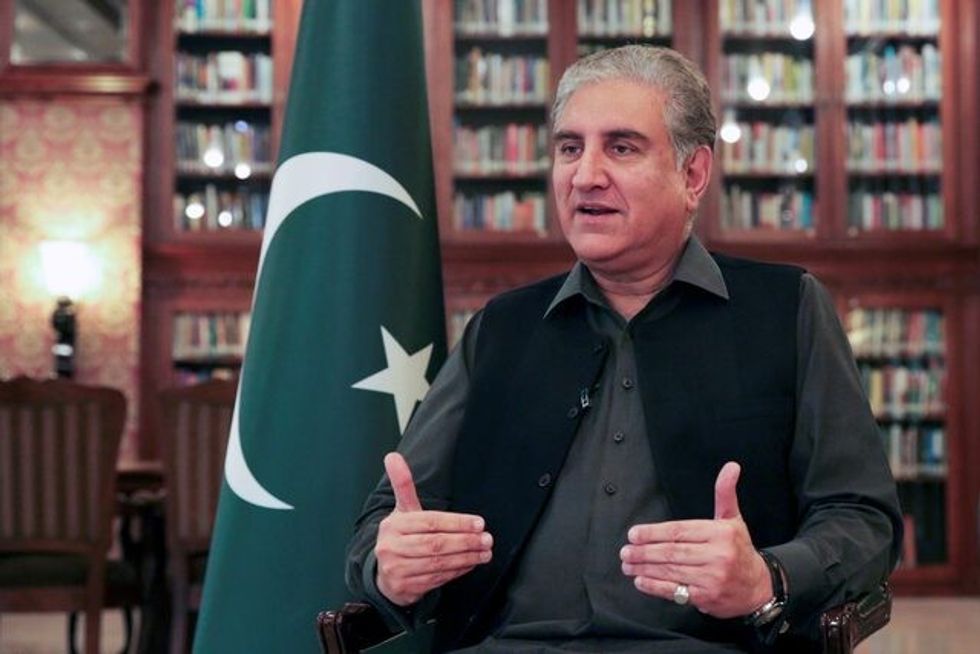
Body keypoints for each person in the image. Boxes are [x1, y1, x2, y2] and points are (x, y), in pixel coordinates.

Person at [346, 45, 902, 653]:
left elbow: (863, 518)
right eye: (569, 148)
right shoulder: (502, 327)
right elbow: (387, 520)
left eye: (621, 148)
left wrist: (768, 577)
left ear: (693, 175)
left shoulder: (785, 309)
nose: (585, 175)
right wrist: (390, 564)